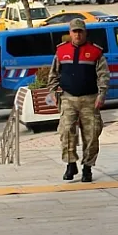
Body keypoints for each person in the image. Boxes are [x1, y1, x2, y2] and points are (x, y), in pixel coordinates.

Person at [47, 18, 109, 182]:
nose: (78, 34)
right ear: (70, 33)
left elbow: (103, 75)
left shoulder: (95, 52)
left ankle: (87, 168)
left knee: (92, 134)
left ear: (85, 33)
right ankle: (70, 163)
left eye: (80, 31)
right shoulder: (61, 51)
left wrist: (102, 94)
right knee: (66, 131)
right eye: (75, 31)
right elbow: (53, 74)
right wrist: (53, 92)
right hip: (68, 98)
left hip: (90, 99)